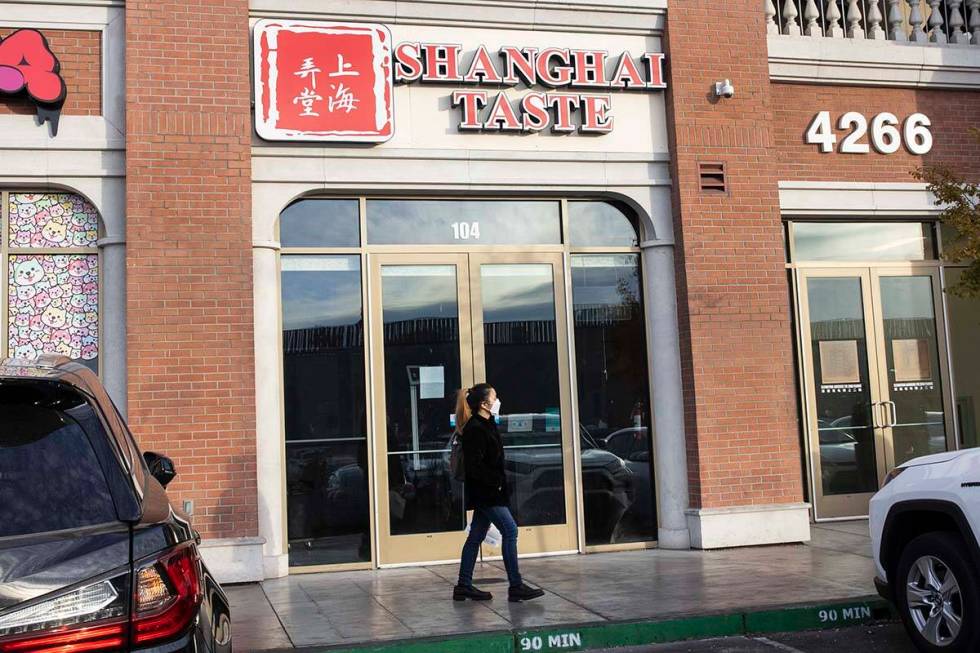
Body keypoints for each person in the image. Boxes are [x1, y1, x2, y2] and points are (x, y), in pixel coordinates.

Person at [452, 383, 545, 603]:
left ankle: (463, 586)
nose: (498, 400)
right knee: (510, 531)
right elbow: (476, 467)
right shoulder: (475, 428)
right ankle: (516, 585)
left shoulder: (487, 424)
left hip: (490, 492)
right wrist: (496, 483)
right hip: (487, 493)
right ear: (484, 404)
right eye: (495, 397)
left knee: (475, 537)